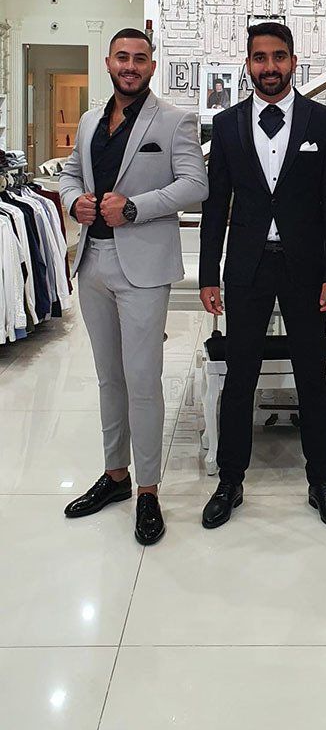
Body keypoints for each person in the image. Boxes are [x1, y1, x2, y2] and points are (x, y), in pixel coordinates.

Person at [199, 21, 326, 531]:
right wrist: (208, 274)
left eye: (279, 57)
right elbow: (216, 205)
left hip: (305, 267)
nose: (270, 67)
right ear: (248, 64)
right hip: (247, 265)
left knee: (312, 374)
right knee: (239, 375)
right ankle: (230, 479)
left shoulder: (321, 121)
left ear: (293, 62)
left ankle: (321, 480)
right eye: (260, 58)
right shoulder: (227, 125)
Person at [60, 28, 208, 545]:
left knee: (143, 379)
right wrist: (73, 200)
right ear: (108, 63)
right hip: (92, 262)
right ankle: (115, 474)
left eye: (139, 58)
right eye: (122, 57)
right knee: (109, 378)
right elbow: (70, 176)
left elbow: (196, 185)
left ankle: (148, 488)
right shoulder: (88, 121)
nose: (130, 65)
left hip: (142, 267)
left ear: (151, 66)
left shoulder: (174, 120)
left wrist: (134, 208)